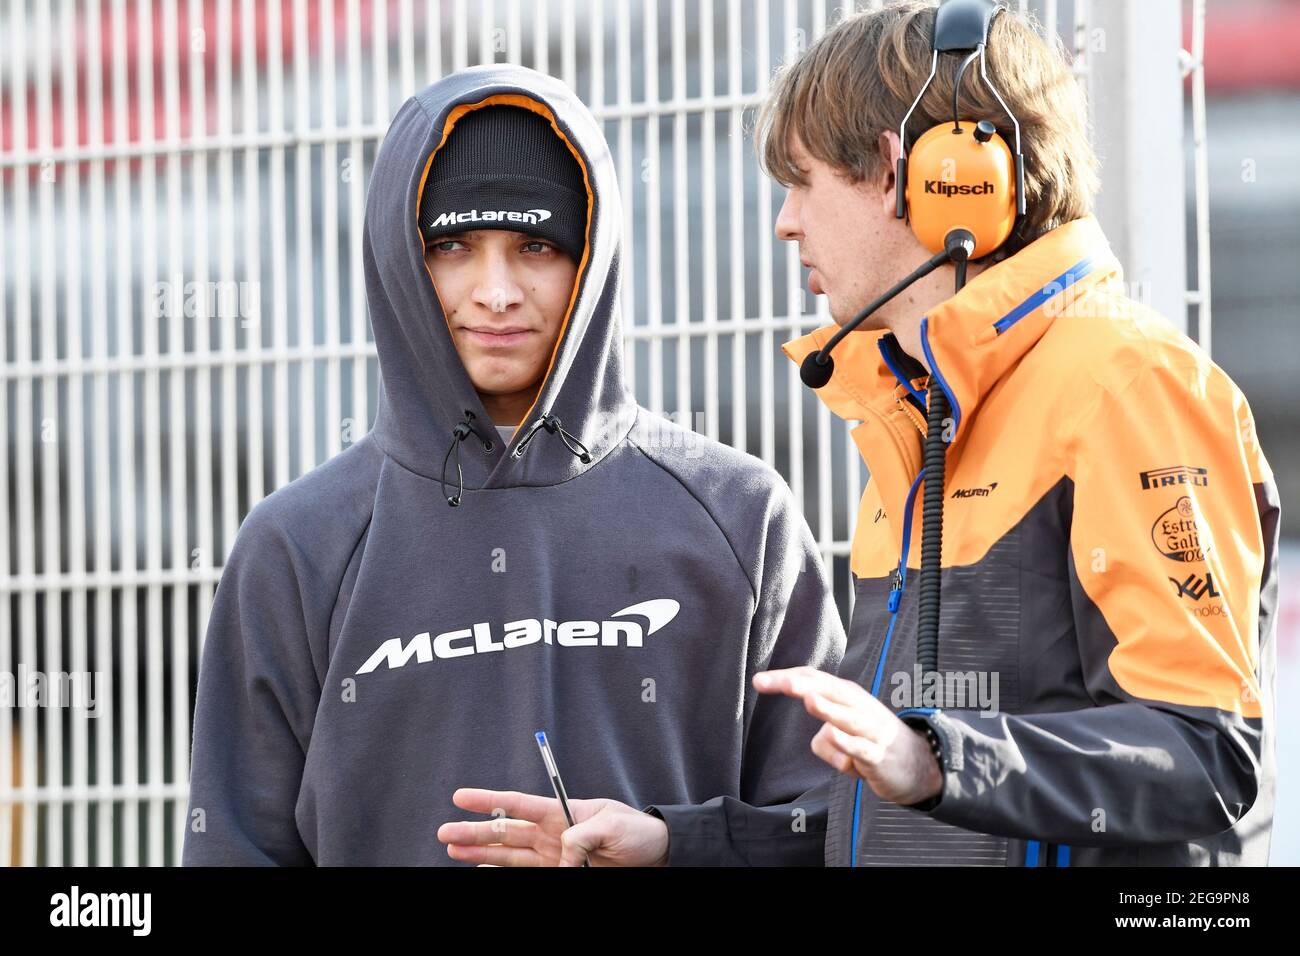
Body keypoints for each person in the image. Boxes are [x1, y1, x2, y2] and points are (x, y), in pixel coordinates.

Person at [442, 0, 1278, 867]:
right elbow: (888, 818)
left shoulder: (1132, 387)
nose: (786, 221)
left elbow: (1207, 758)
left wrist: (935, 759)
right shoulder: (916, 422)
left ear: (908, 174)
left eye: (803, 180)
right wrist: (674, 843)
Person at [181, 63, 845, 866]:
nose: (495, 292)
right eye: (453, 246)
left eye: (536, 245)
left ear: (590, 260)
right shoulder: (298, 544)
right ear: (401, 258)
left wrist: (673, 847)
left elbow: (830, 833)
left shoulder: (740, 516)